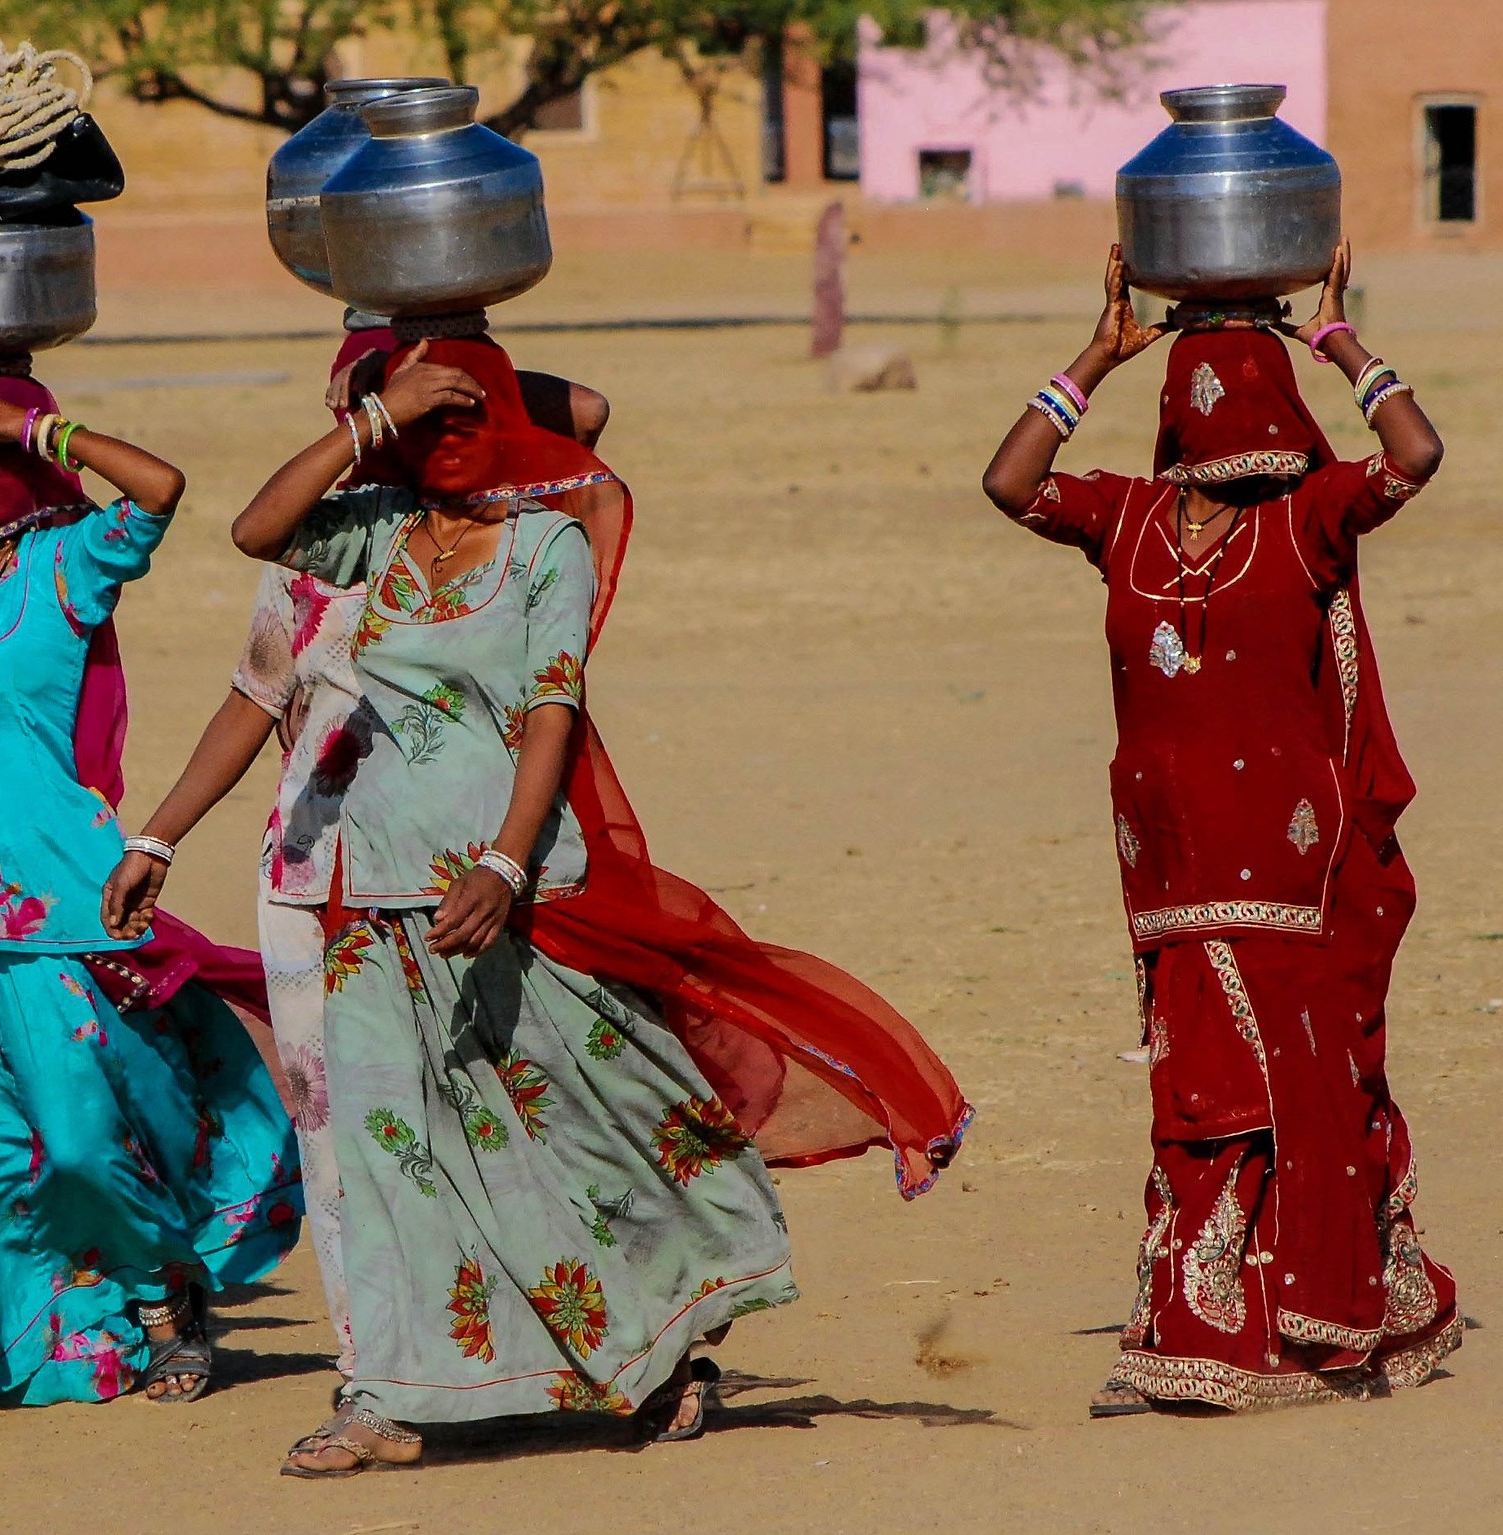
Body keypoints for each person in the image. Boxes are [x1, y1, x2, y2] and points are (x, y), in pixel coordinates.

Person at [110, 337, 970, 1475]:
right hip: (361, 901)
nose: (433, 433)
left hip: (507, 897)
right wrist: (159, 832)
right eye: (405, 413)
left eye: (451, 412)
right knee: (385, 1153)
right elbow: (254, 534)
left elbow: (551, 711)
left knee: (580, 1125)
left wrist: (506, 865)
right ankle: (387, 1394)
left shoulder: (544, 545)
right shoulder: (364, 533)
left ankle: (663, 1344)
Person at [980, 243, 1459, 1414]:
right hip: (1172, 863)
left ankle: (1292, 1334)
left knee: (1281, 1088)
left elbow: (1418, 455)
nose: (1228, 401)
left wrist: (1337, 339)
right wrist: (1095, 354)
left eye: (1248, 376)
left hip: (1290, 866)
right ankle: (1194, 1328)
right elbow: (1009, 484)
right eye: (1210, 376)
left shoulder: (1310, 516)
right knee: (1196, 1096)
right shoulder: (1128, 517)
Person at [103, 331, 611, 1389]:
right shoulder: (326, 547)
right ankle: (372, 1361)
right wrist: (159, 833)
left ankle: (540, 1351)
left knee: (492, 1110)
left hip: (450, 876)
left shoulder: (508, 539)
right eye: (373, 398)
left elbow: (591, 410)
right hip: (308, 878)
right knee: (338, 1134)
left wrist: (462, 363)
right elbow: (252, 697)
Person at [0, 370, 301, 1427]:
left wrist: (49, 426)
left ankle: (165, 1288)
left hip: (49, 897)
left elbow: (162, 489)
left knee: (82, 1126)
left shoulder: (66, 566)